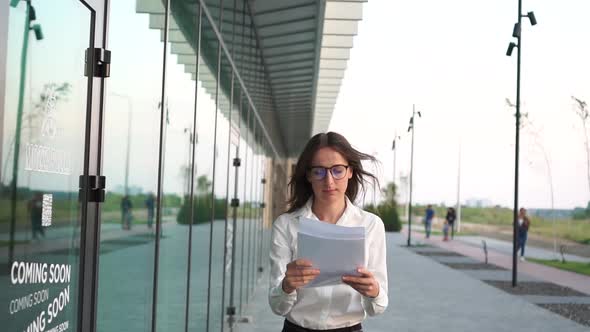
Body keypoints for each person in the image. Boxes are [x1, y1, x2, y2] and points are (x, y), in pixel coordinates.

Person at [269, 132, 388, 332]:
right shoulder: (286, 225)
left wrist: (374, 291)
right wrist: (287, 286)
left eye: (337, 170)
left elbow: (378, 307)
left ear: (350, 171)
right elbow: (277, 306)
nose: (329, 181)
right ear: (308, 175)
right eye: (319, 171)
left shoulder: (371, 225)